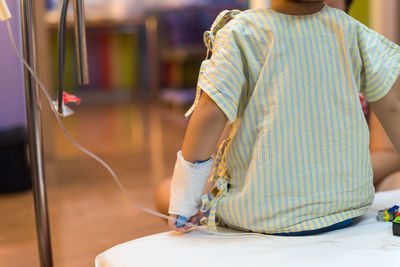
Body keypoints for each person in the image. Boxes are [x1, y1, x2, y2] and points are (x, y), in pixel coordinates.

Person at [167, 0, 400, 235]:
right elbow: (392, 107)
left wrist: (184, 201)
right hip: (345, 211)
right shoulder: (351, 31)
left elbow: (209, 113)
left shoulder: (242, 33)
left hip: (261, 216)